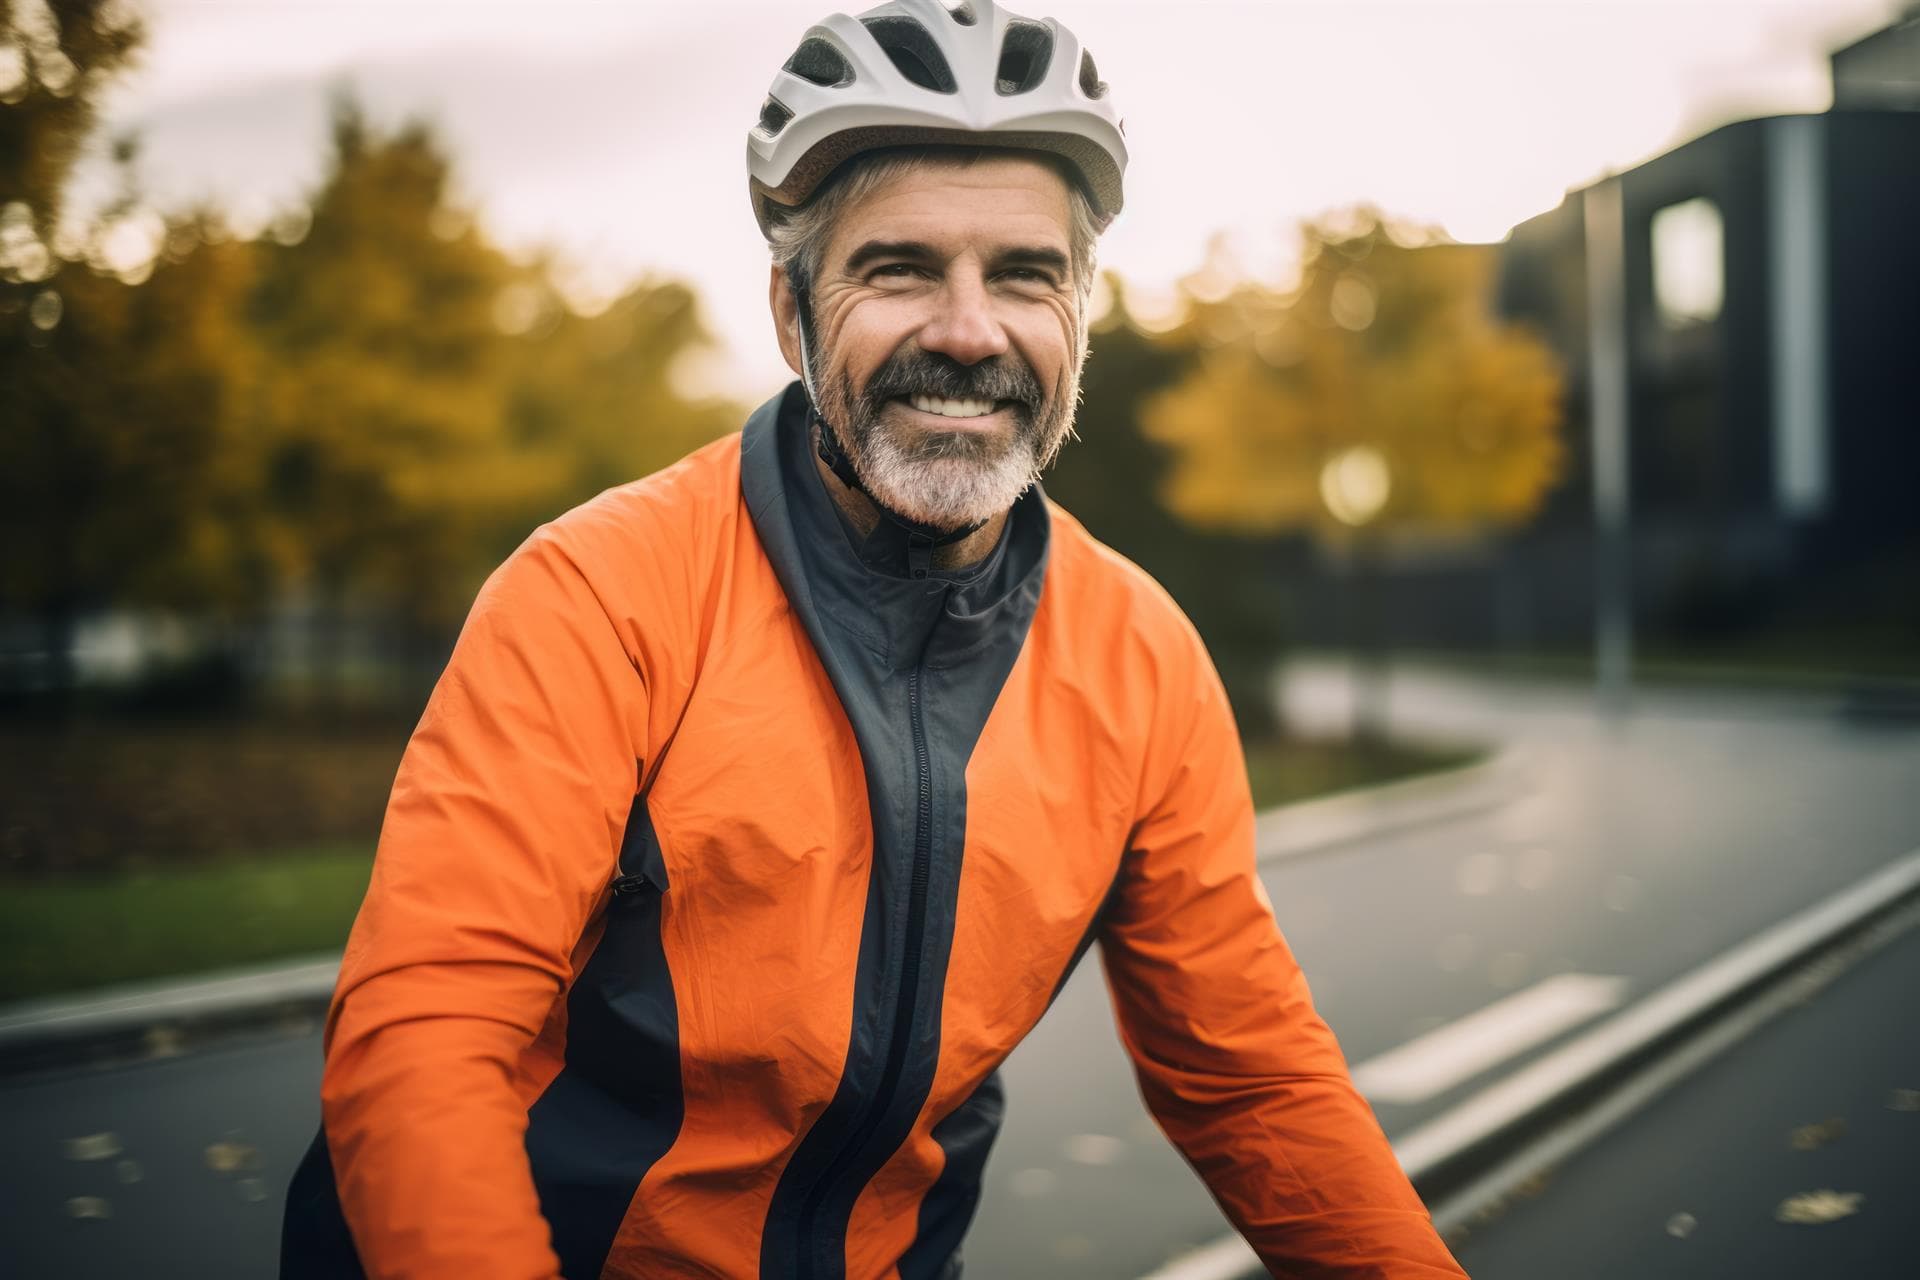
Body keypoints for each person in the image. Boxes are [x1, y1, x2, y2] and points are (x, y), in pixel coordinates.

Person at [280, 1, 1467, 1276]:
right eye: (898, 268)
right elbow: (427, 1034)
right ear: (792, 316)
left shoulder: (1141, 658)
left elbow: (1255, 1084)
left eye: (1025, 273)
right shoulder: (600, 594)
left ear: (1078, 321)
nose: (968, 331)